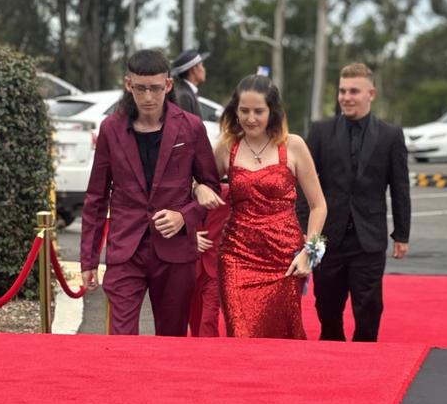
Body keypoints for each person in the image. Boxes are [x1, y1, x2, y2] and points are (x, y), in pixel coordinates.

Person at [80, 48, 221, 336]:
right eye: (141, 88)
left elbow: (211, 186)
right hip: (125, 249)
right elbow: (96, 197)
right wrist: (89, 259)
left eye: (155, 89)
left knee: (171, 342)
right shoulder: (111, 129)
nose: (148, 97)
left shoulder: (191, 127)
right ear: (128, 84)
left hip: (175, 251)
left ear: (168, 85)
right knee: (122, 341)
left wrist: (184, 216)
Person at [297, 62, 411, 342]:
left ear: (370, 94)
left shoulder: (390, 135)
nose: (346, 97)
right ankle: (331, 359)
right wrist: (303, 229)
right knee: (325, 305)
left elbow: (400, 188)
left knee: (369, 308)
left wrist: (402, 234)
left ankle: (366, 357)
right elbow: (304, 187)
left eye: (354, 91)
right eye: (342, 90)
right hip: (323, 238)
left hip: (369, 238)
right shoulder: (320, 132)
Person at [213, 74, 327, 339]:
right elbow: (198, 184)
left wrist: (310, 254)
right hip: (236, 257)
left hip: (284, 260)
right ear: (235, 111)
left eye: (258, 111)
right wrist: (199, 189)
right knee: (241, 334)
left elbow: (319, 206)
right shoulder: (226, 147)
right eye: (244, 111)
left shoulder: (294, 145)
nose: (250, 118)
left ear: (273, 111)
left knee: (283, 339)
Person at [189, 183, 230, 337]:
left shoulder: (227, 193)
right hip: (190, 266)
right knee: (194, 319)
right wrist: (190, 239)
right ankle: (195, 356)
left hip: (215, 266)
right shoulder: (182, 193)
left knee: (208, 319)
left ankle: (209, 354)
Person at [171, 49, 208, 116]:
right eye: (202, 65)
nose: (204, 69)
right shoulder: (184, 96)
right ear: (193, 70)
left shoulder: (188, 93)